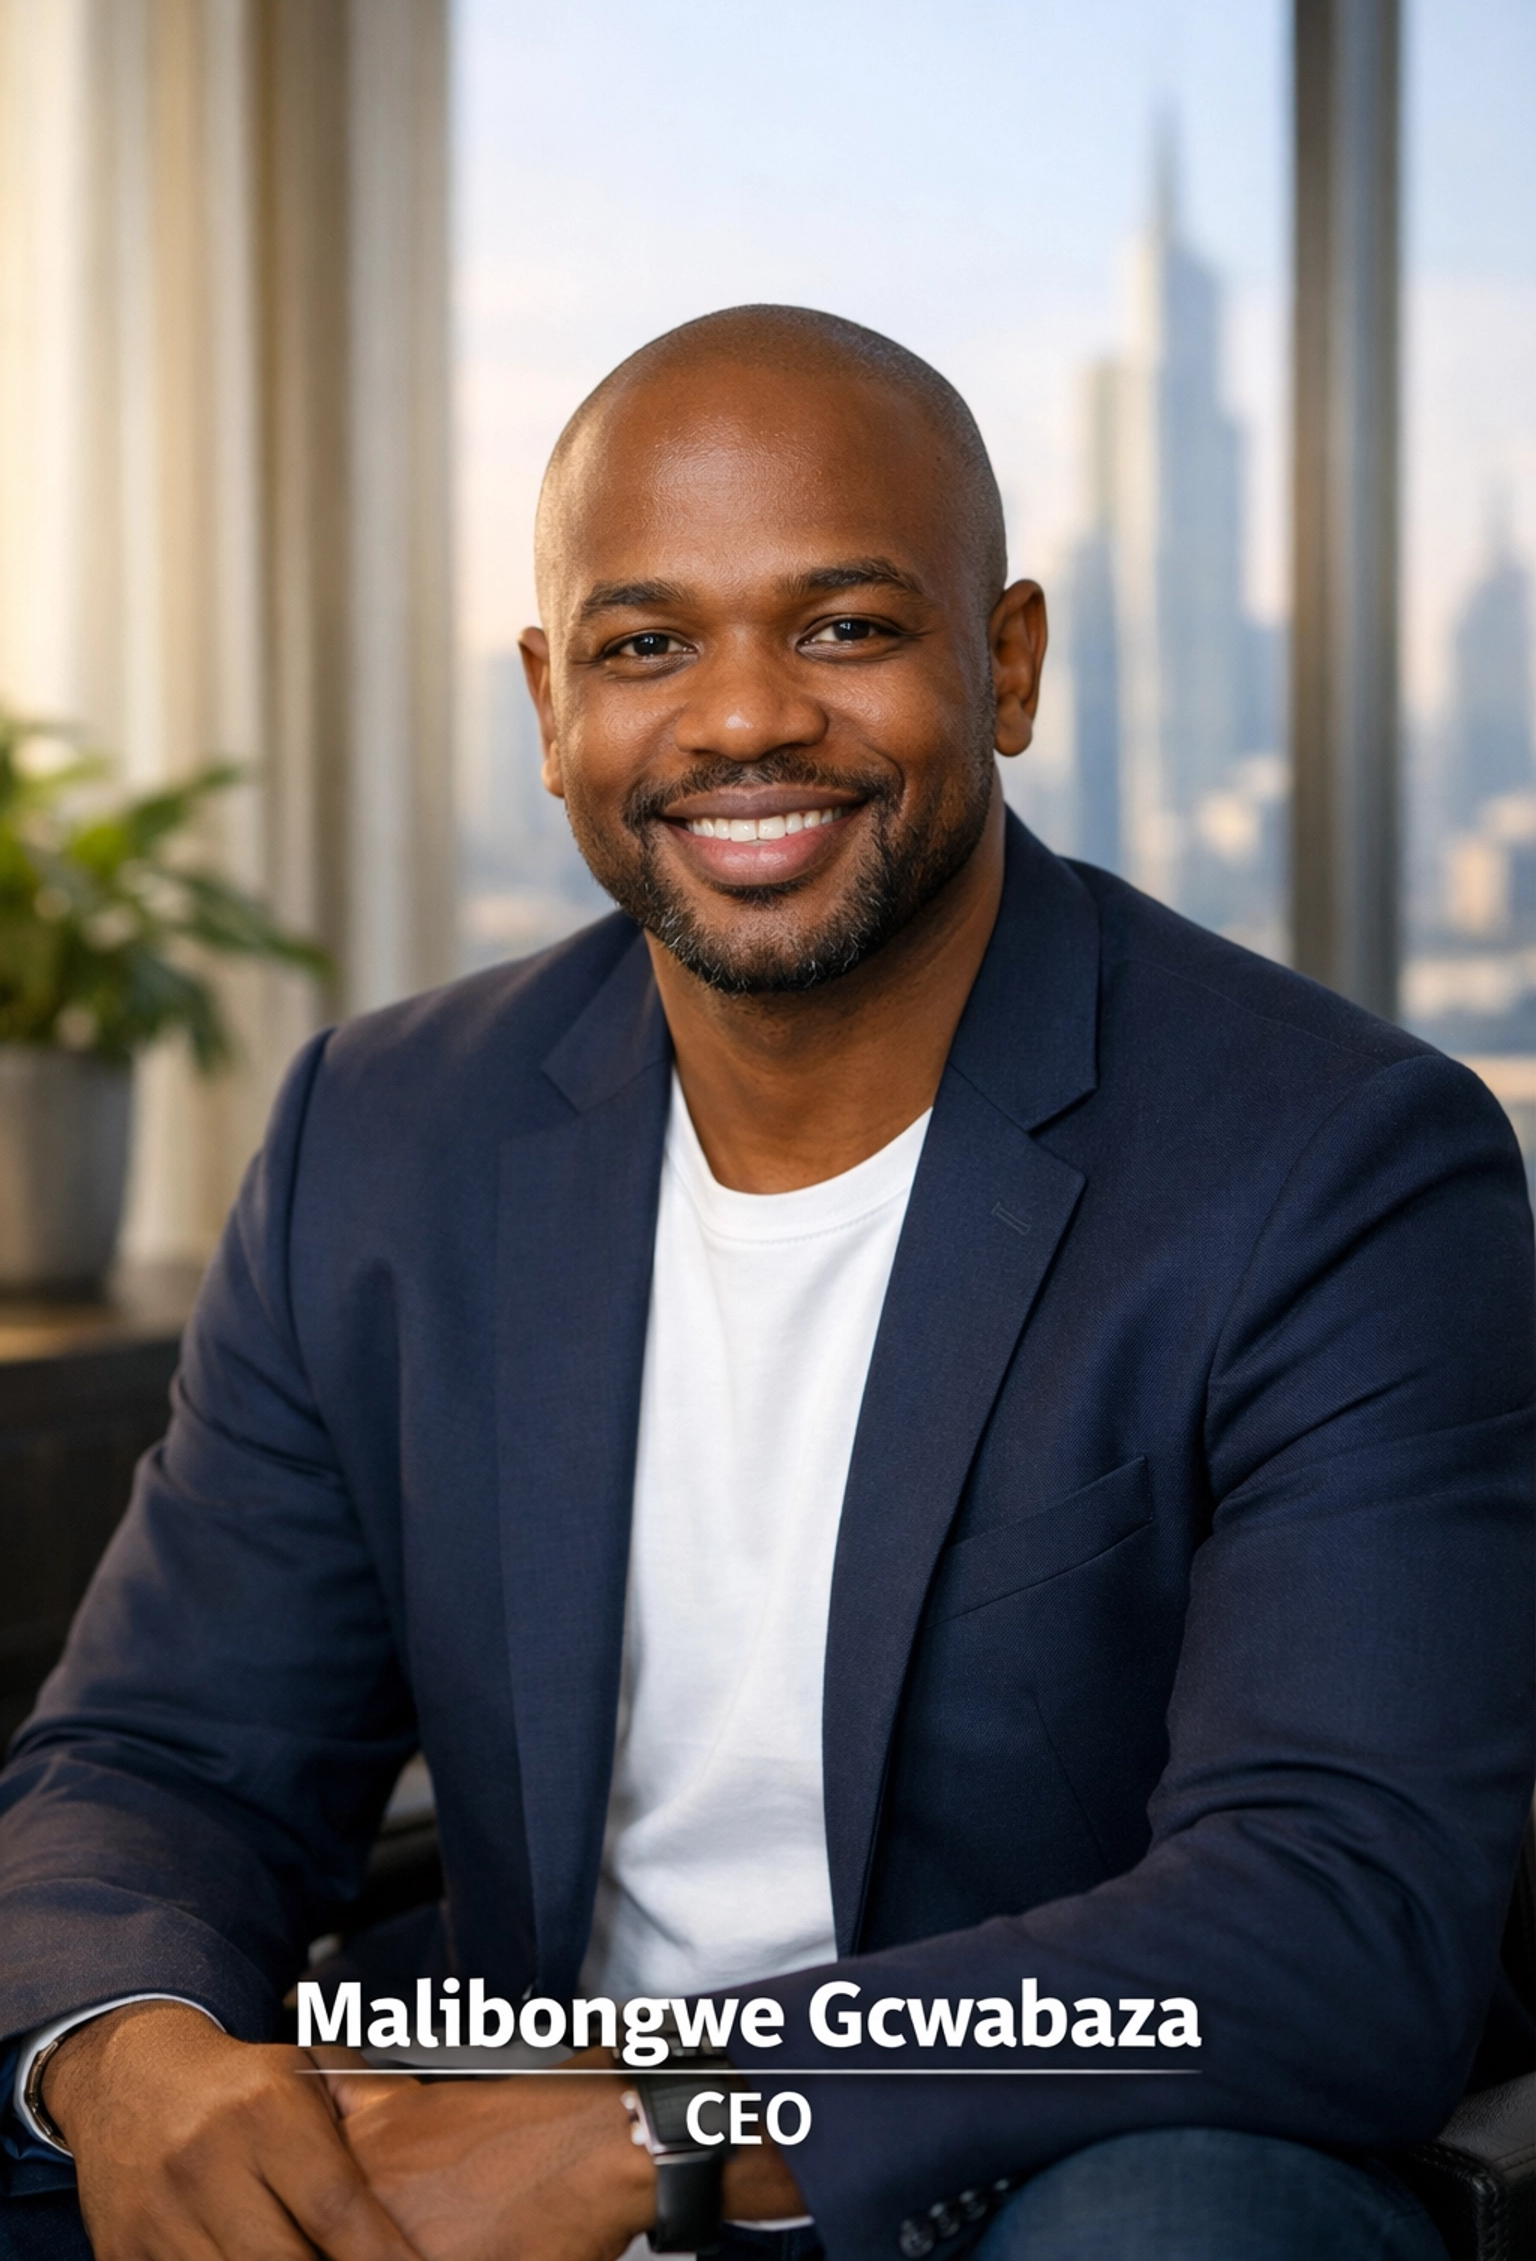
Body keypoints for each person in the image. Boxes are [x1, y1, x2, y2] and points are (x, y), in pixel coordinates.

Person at [1, 306, 1531, 2261]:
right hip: (483, 2127)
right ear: (553, 706)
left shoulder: (1337, 1163)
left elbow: (1343, 1913)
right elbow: (159, 1757)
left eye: (843, 628)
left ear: (1009, 663)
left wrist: (660, 2121)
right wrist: (127, 2055)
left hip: (1041, 2169)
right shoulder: (381, 1137)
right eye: (648, 646)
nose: (741, 721)